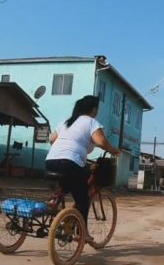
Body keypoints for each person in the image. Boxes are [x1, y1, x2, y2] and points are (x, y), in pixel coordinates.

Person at [46, 96, 121, 232]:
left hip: (50, 162)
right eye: (97, 108)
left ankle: (55, 204)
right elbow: (101, 142)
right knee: (83, 199)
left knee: (71, 183)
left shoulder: (66, 122)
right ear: (94, 109)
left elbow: (52, 140)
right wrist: (114, 151)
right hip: (70, 164)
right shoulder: (91, 122)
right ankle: (83, 233)